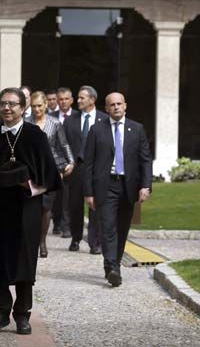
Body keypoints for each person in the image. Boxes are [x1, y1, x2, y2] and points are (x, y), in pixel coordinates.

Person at [0, 87, 61, 335]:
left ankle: (22, 315)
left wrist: (28, 185)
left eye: (12, 104)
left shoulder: (35, 136)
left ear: (23, 108)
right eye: (3, 104)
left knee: (23, 262)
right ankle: (0, 313)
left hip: (26, 210)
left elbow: (52, 178)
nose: (7, 108)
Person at [84, 92, 152, 287]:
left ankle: (113, 265)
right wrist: (89, 192)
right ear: (106, 108)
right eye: (111, 105)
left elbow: (145, 160)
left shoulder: (137, 129)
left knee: (122, 229)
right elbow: (88, 163)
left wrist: (146, 185)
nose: (115, 107)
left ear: (125, 106)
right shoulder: (97, 130)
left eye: (119, 104)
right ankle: (113, 267)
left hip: (128, 186)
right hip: (105, 186)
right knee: (108, 228)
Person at [28, 91, 74, 258]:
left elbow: (64, 144)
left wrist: (71, 162)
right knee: (31, 206)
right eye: (33, 106)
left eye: (40, 105)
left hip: (50, 169)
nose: (37, 109)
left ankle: (42, 241)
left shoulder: (55, 123)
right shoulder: (26, 123)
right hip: (31, 170)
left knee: (46, 207)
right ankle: (30, 240)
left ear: (46, 105)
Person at [63, 85, 108, 254]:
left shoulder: (104, 119)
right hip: (76, 169)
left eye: (82, 98)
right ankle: (76, 238)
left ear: (92, 100)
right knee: (74, 205)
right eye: (78, 97)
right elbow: (64, 143)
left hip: (97, 170)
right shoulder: (71, 120)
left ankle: (95, 242)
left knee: (95, 206)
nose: (78, 100)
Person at [49, 87, 80, 237]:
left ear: (71, 100)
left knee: (68, 197)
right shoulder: (50, 117)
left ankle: (66, 226)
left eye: (66, 99)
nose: (63, 102)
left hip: (72, 163)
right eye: (60, 99)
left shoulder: (78, 116)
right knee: (56, 196)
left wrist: (72, 162)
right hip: (54, 162)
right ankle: (56, 223)